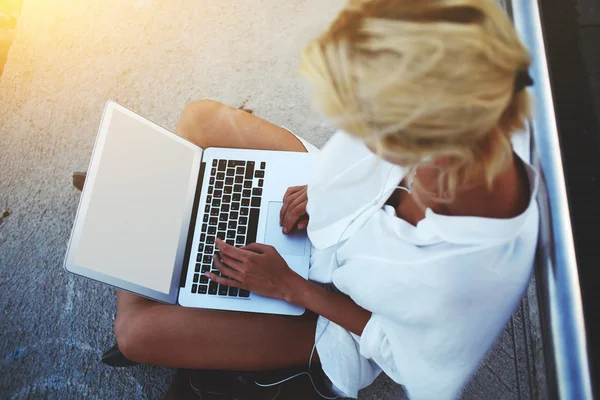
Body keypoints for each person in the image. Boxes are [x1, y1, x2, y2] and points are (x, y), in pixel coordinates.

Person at [98, 0, 539, 398]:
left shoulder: (456, 286)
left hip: (332, 317)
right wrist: (324, 189)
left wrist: (289, 287)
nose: (356, 134)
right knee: (200, 120)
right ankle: (178, 243)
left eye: (368, 128)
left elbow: (398, 357)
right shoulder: (475, 105)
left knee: (135, 333)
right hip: (319, 216)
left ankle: (153, 242)